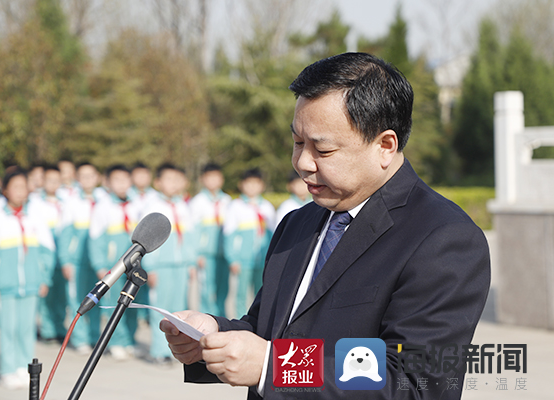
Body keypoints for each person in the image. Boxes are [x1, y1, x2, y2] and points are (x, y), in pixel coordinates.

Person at [161, 52, 490, 399]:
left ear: (385, 146)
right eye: (298, 142)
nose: (302, 163)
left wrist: (275, 367)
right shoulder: (298, 223)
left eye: (323, 149)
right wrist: (213, 335)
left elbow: (412, 383)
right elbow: (271, 330)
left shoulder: (443, 238)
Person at [0, 168, 55, 389]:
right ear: (5, 190)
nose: (21, 191)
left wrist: (44, 278)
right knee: (8, 327)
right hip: (6, 285)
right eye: (16, 187)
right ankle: (7, 369)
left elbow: (48, 250)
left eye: (24, 186)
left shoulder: (35, 216)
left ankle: (24, 367)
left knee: (26, 328)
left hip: (31, 284)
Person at [141, 163, 196, 362]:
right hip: (161, 266)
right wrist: (151, 268)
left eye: (177, 180)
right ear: (158, 182)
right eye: (169, 179)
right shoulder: (153, 206)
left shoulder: (183, 205)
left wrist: (190, 264)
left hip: (180, 266)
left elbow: (190, 237)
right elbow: (146, 240)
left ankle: (174, 351)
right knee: (161, 308)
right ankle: (158, 351)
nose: (174, 184)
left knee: (178, 310)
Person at [88, 164, 139, 360]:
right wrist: (100, 264)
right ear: (108, 183)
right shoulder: (103, 207)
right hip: (114, 264)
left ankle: (130, 339)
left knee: (133, 302)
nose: (122, 184)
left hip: (134, 263)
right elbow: (95, 238)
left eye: (125, 180)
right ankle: (116, 341)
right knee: (114, 303)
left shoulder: (136, 204)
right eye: (117, 180)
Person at [58, 162, 102, 354]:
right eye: (83, 176)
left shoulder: (104, 200)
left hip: (98, 262)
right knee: (77, 299)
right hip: (78, 262)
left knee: (98, 299)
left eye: (91, 176)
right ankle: (80, 338)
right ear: (77, 179)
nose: (87, 180)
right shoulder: (72, 202)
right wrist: (66, 260)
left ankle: (95, 336)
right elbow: (65, 234)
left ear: (97, 178)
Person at [223, 168, 275, 318]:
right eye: (248, 183)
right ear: (241, 185)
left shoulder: (267, 207)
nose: (252, 187)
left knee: (262, 293)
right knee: (241, 294)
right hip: (243, 261)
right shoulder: (236, 207)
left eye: (256, 183)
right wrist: (233, 258)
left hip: (262, 261)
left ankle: (260, 323)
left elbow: (273, 236)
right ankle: (241, 322)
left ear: (262, 186)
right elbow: (229, 235)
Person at [189, 163, 232, 316]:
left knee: (223, 289)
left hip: (223, 254)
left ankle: (221, 320)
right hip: (206, 255)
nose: (213, 181)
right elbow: (193, 231)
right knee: (207, 290)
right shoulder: (198, 202)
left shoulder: (227, 200)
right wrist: (197, 254)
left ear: (222, 179)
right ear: (203, 180)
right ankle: (207, 321)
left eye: (216, 177)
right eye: (209, 178)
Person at [31, 165, 66, 343]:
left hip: (63, 254)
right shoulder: (35, 202)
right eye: (49, 180)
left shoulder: (66, 200)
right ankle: (47, 330)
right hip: (44, 254)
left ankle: (60, 327)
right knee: (46, 293)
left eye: (56, 180)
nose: (53, 184)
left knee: (61, 295)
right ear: (42, 181)